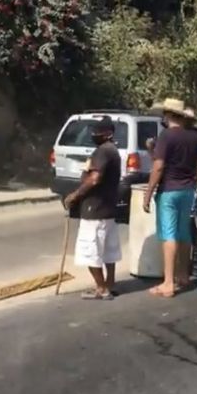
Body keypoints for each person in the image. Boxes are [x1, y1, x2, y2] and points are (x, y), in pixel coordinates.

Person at [144, 99, 197, 298]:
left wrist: (148, 192)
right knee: (184, 233)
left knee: (169, 235)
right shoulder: (194, 137)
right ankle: (183, 275)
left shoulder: (166, 136)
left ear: (168, 115)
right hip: (188, 190)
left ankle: (168, 283)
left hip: (169, 190)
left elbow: (158, 166)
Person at [64, 117, 122, 300]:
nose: (93, 134)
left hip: (95, 209)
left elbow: (95, 178)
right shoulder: (112, 151)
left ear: (108, 134)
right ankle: (108, 284)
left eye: (98, 131)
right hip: (107, 209)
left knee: (91, 250)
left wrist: (76, 195)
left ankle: (101, 288)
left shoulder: (103, 152)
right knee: (107, 251)